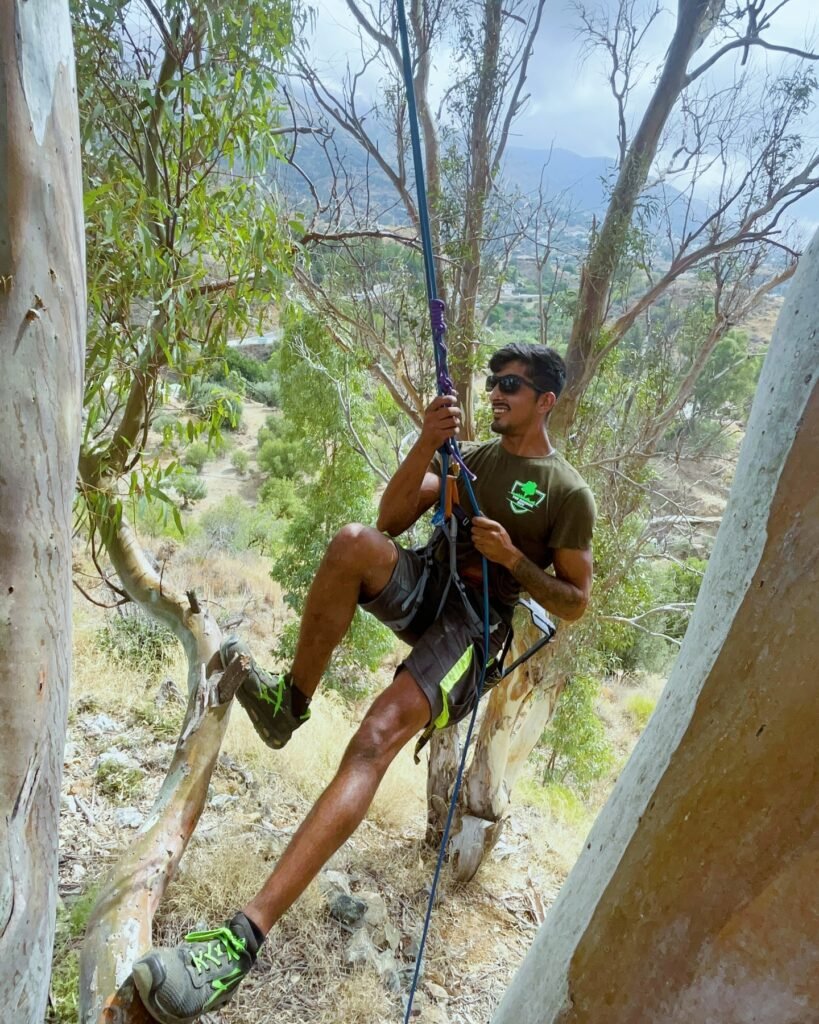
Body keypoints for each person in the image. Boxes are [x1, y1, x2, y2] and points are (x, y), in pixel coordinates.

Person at [132, 343, 596, 1024]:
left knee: (373, 739)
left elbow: (574, 601)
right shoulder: (476, 459)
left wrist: (513, 562)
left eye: (511, 386)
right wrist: (425, 442)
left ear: (544, 400)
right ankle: (288, 706)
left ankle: (239, 941)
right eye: (493, 382)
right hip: (429, 586)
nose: (495, 393)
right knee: (352, 540)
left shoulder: (564, 491)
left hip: (472, 630)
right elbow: (390, 520)